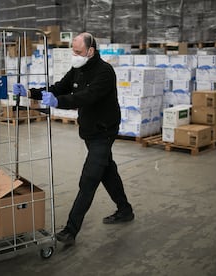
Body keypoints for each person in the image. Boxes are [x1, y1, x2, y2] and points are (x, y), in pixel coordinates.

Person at [13, 32, 134, 246]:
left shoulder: (105, 72)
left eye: (78, 51)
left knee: (89, 179)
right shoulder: (78, 68)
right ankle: (125, 210)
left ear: (90, 51)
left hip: (104, 131)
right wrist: (31, 93)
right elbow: (59, 87)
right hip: (89, 131)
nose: (74, 55)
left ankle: (70, 230)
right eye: (73, 51)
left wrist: (58, 102)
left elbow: (86, 97)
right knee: (107, 170)